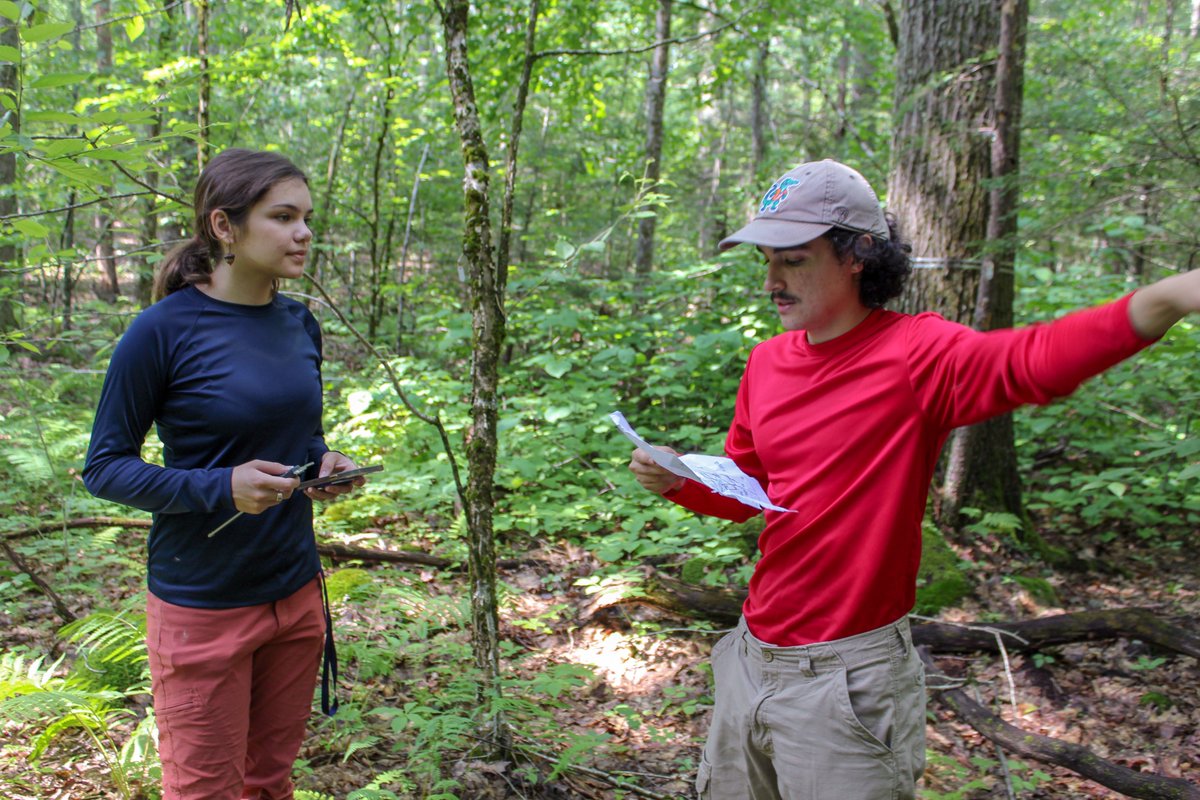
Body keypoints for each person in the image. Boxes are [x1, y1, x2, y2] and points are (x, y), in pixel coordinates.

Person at [627, 159, 1200, 800]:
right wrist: (677, 479)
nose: (772, 281)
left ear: (857, 254)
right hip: (750, 658)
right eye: (767, 260)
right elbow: (750, 489)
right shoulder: (767, 362)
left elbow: (1034, 362)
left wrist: (1170, 298)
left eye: (793, 259)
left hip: (848, 680)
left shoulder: (916, 355)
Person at [83, 148, 367, 800]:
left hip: (294, 594)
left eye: (307, 218)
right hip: (202, 605)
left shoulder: (300, 323)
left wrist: (326, 463)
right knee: (205, 791)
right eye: (283, 217)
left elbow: (301, 437)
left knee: (269, 784)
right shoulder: (161, 332)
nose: (304, 234)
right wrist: (221, 487)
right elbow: (104, 467)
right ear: (223, 226)